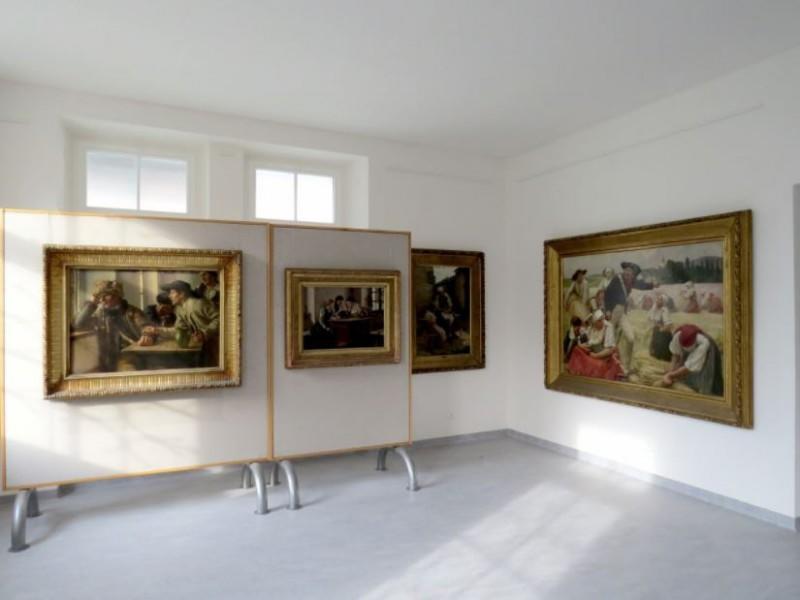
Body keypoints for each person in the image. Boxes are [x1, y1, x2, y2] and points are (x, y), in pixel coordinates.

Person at [72, 280, 151, 372]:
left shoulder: (131, 312)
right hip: (103, 358)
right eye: (99, 296)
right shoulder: (98, 313)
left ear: (117, 296)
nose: (101, 300)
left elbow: (146, 326)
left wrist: (147, 335)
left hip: (127, 355)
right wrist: (91, 304)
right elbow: (77, 324)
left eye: (106, 295)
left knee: (127, 371)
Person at [143, 280, 220, 366]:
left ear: (182, 294)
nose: (169, 296)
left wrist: (205, 332)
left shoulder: (198, 304)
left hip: (217, 345)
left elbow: (220, 318)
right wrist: (157, 330)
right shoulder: (180, 310)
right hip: (203, 348)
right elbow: (179, 330)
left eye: (172, 293)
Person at [661, 324, 723, 396]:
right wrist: (671, 370)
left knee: (705, 375)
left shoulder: (704, 343)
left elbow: (689, 367)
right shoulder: (678, 335)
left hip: (708, 352)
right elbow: (675, 355)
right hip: (692, 351)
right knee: (682, 375)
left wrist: (670, 375)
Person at [565, 309, 624, 380]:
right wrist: (583, 346)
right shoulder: (592, 327)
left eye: (599, 321)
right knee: (576, 349)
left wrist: (596, 355)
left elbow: (609, 350)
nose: (595, 325)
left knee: (596, 365)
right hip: (592, 352)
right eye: (594, 323)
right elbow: (588, 342)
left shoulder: (608, 327)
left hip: (603, 356)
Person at [648, 294, 673, 361]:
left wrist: (661, 329)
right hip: (656, 331)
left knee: (661, 356)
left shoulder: (664, 310)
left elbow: (668, 326)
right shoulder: (654, 308)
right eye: (658, 299)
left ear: (663, 302)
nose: (657, 301)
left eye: (660, 300)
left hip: (664, 334)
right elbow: (650, 319)